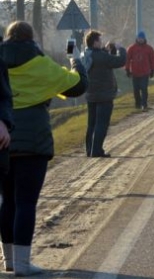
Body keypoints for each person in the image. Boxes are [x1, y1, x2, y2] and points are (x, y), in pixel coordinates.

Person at [0, 21, 87, 277]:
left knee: (7, 202)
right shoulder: (42, 65)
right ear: (32, 40)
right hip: (33, 143)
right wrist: (75, 59)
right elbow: (78, 86)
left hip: (3, 139)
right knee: (26, 202)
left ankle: (9, 261)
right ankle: (24, 264)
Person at [81, 30, 126, 158]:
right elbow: (120, 61)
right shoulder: (101, 56)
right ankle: (97, 150)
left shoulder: (87, 55)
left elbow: (100, 59)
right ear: (95, 42)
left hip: (91, 94)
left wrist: (105, 50)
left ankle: (89, 150)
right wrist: (121, 48)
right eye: (100, 41)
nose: (101, 42)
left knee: (91, 124)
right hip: (104, 95)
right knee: (102, 124)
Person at [125, 31, 154, 111]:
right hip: (135, 73)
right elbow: (127, 59)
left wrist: (152, 70)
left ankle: (144, 104)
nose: (140, 40)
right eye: (139, 38)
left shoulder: (149, 49)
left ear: (144, 38)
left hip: (145, 72)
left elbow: (152, 60)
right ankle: (138, 104)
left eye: (142, 38)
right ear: (137, 38)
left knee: (144, 88)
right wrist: (127, 69)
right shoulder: (131, 48)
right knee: (136, 90)